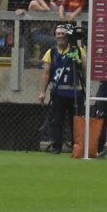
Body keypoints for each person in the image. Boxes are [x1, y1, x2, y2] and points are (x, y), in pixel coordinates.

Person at [39, 24, 86, 154]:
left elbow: (84, 69)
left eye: (63, 33)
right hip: (58, 92)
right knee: (56, 121)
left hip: (75, 92)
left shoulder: (77, 50)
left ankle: (76, 146)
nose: (60, 36)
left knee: (75, 121)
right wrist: (42, 92)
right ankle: (56, 146)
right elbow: (46, 73)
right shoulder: (51, 52)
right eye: (58, 34)